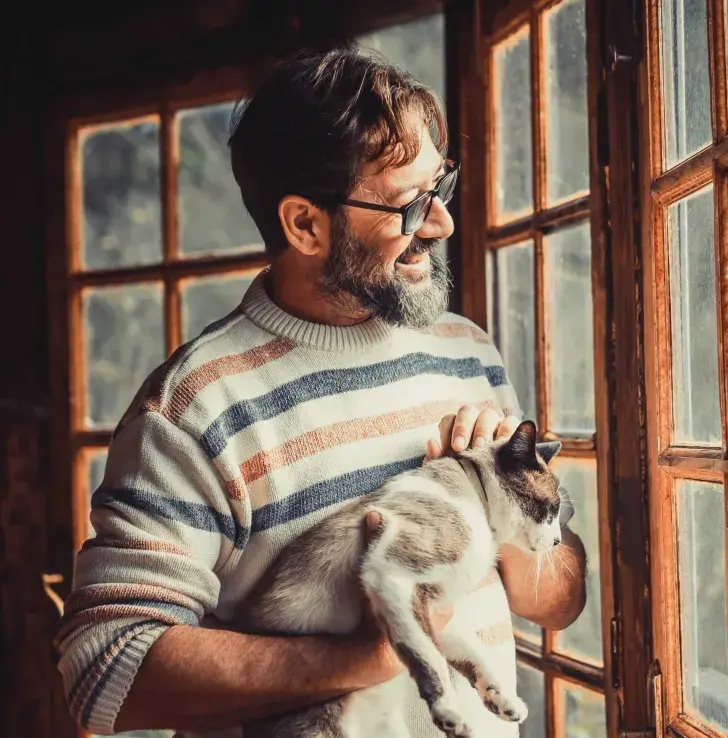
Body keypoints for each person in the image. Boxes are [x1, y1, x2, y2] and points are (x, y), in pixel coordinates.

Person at [53, 46, 588, 736]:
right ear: (305, 224)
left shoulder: (468, 348)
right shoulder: (195, 408)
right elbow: (103, 673)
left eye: (441, 188)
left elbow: (558, 604)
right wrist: (368, 657)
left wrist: (503, 502)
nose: (441, 223)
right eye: (408, 205)